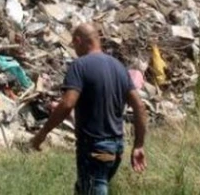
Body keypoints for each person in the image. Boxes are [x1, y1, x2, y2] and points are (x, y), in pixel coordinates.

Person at [31, 23, 147, 194]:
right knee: (83, 189)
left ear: (78, 41)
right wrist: (139, 144)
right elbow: (140, 106)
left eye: (73, 44)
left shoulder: (80, 66)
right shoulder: (119, 67)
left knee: (91, 188)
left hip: (94, 148)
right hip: (116, 148)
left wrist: (42, 133)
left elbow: (67, 104)